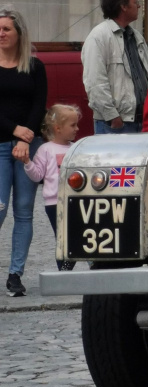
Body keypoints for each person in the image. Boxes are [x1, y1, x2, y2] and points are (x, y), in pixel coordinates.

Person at [0, 8, 47, 296]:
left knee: (25, 212)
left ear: (19, 34)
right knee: (0, 210)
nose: (1, 33)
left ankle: (15, 275)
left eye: (6, 29)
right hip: (1, 146)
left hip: (28, 148)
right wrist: (15, 130)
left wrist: (26, 138)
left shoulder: (34, 65)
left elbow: (39, 104)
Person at [82, 0, 148, 134]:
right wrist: (112, 117)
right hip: (115, 125)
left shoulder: (136, 36)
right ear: (123, 6)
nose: (139, 7)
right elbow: (95, 82)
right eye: (136, 2)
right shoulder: (99, 36)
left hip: (142, 121)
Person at [19, 104, 79, 271]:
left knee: (80, 233)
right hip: (54, 202)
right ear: (58, 128)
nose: (77, 128)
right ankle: (64, 268)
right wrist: (28, 163)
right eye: (72, 125)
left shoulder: (76, 148)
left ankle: (86, 263)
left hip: (74, 200)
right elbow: (37, 175)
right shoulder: (45, 149)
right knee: (62, 237)